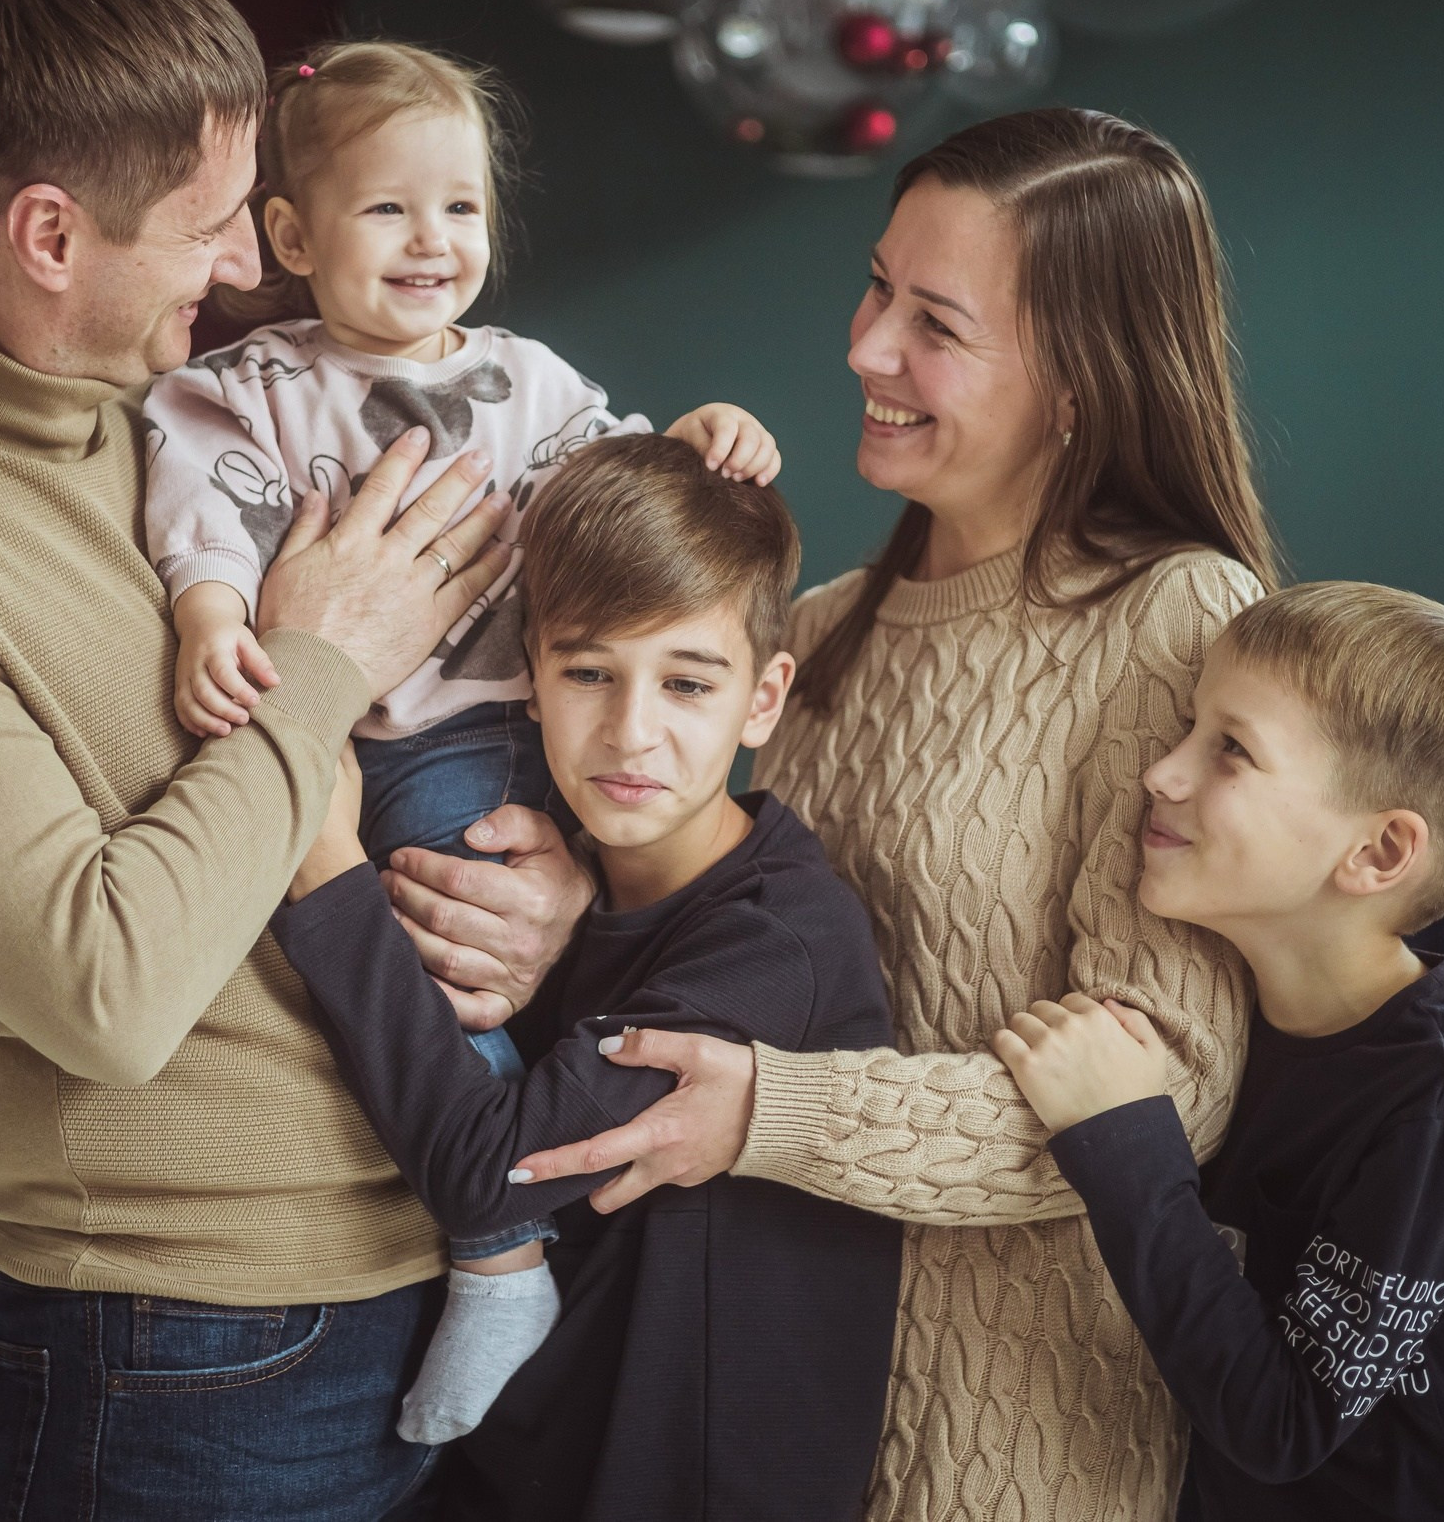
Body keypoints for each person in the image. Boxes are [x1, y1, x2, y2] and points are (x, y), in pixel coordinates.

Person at [0, 0, 587, 1521]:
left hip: (463, 1270)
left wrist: (548, 886)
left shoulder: (196, 408)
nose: (247, 269)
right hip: (192, 1358)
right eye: (203, 229)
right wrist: (324, 658)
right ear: (50, 231)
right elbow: (104, 989)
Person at [496, 109, 1278, 1522]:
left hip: (1013, 1428)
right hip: (760, 1393)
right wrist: (578, 897)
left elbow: (1166, 1083)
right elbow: (714, 939)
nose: (864, 347)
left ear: (1079, 383)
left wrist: (780, 1112)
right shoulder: (818, 628)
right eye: (876, 287)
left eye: (936, 322)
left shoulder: (1174, 622)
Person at [139, 41, 778, 1441]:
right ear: (293, 236)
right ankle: (490, 1220)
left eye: (462, 209)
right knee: (326, 964)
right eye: (388, 211)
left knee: (430, 957)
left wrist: (698, 438)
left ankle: (499, 1250)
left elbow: (621, 480)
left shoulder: (524, 381)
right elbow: (201, 500)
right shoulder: (253, 383)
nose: (435, 241)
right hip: (327, 729)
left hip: (475, 731)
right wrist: (205, 612)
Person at [273, 434, 902, 1518]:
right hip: (530, 1467)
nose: (630, 730)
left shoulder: (777, 943)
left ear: (763, 700)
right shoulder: (557, 875)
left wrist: (325, 869)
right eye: (589, 672)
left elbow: (487, 1176)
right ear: (532, 674)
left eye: (689, 683)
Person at [991, 582, 1444, 1521]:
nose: (1161, 771)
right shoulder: (1244, 1009)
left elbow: (1283, 1423)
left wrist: (1123, 1137)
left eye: (1230, 749)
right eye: (1189, 724)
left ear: (1379, 852)